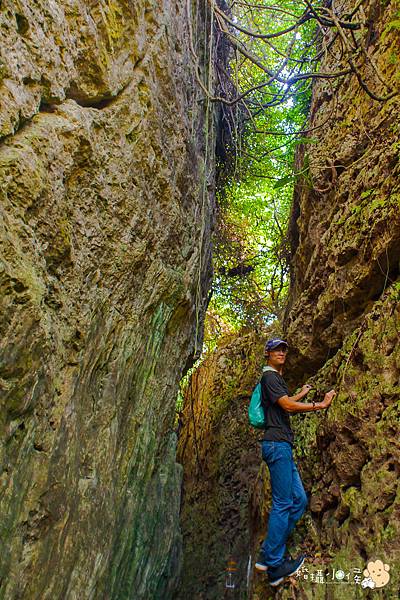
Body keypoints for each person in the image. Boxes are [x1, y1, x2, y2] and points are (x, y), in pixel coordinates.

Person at [254, 337, 336, 587]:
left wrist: (302, 392)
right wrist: (319, 404)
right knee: (282, 503)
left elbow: (284, 403)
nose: (281, 353)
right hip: (276, 445)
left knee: (298, 500)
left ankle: (268, 552)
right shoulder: (269, 377)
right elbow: (287, 405)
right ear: (267, 353)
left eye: (284, 350)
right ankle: (276, 567)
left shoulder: (275, 380)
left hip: (282, 446)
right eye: (276, 349)